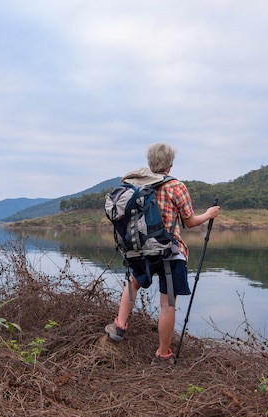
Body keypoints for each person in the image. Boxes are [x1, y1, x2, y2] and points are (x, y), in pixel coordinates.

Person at [105, 142, 220, 365]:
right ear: (170, 164)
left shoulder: (135, 186)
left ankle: (119, 326)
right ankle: (163, 353)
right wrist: (208, 214)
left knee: (133, 283)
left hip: (140, 250)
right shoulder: (176, 187)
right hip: (169, 251)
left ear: (150, 163)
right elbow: (189, 222)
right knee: (167, 303)